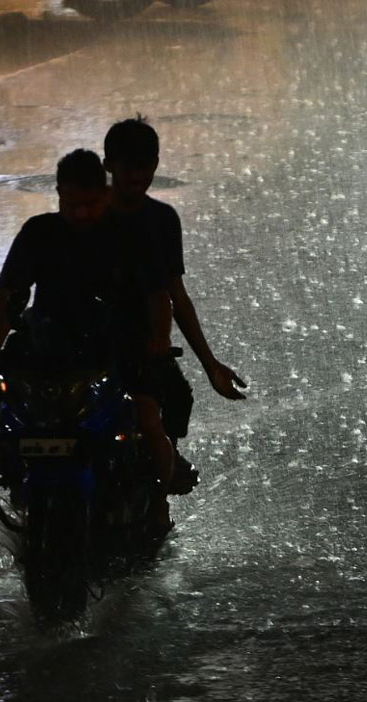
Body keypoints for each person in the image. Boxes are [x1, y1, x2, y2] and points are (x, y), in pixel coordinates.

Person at [0, 149, 176, 537]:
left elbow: (156, 296)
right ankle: (11, 471)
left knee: (147, 416)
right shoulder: (38, 232)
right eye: (70, 204)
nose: (80, 213)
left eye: (90, 204)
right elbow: (10, 297)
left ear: (105, 193)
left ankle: (159, 504)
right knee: (7, 405)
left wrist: (159, 339)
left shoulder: (129, 234)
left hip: (117, 346)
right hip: (49, 347)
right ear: (58, 194)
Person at [102, 116, 247, 503]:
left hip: (142, 337)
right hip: (88, 336)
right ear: (108, 164)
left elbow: (174, 296)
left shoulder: (162, 220)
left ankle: (161, 470)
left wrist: (210, 363)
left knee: (178, 395)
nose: (138, 177)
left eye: (146, 168)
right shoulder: (84, 213)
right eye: (129, 167)